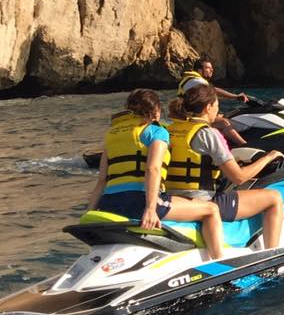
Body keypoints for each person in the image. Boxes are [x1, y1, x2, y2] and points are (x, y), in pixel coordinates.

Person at [87, 89, 225, 259]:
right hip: (138, 202)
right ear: (156, 110)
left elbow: (102, 179)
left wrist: (90, 212)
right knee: (211, 210)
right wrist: (151, 209)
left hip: (108, 204)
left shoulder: (112, 135)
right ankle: (221, 265)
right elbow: (153, 169)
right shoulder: (157, 132)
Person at [165, 84, 284, 249]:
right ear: (208, 107)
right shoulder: (209, 134)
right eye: (216, 106)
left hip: (173, 199)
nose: (217, 111)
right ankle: (272, 254)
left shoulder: (170, 129)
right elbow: (239, 177)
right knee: (274, 198)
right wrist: (269, 157)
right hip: (202, 199)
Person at [177, 57, 249, 146]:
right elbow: (214, 91)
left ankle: (224, 144)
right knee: (224, 123)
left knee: (224, 117)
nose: (211, 70)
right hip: (190, 117)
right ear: (199, 71)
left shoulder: (192, 80)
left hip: (190, 114)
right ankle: (244, 145)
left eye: (212, 68)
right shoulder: (196, 81)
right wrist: (235, 96)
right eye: (208, 68)